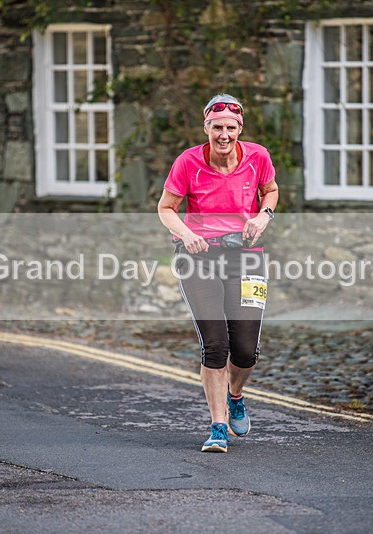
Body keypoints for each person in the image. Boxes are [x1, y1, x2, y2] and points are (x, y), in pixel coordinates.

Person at [157, 93, 279, 453]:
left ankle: (236, 394)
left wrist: (263, 216)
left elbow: (270, 191)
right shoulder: (188, 162)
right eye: (216, 127)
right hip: (200, 258)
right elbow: (166, 208)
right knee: (215, 346)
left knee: (244, 351)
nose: (223, 135)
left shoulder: (257, 156)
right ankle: (218, 425)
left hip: (247, 258)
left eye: (230, 127)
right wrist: (187, 234)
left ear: (240, 129)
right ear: (206, 128)